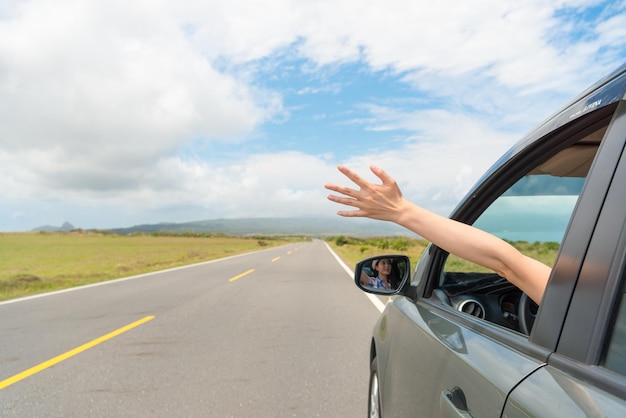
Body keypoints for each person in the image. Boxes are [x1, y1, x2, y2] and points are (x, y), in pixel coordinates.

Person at [324, 165, 550, 304]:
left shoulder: (571, 302)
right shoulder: (580, 307)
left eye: (386, 264)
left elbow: (507, 263)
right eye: (381, 264)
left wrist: (399, 211)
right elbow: (506, 264)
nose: (385, 267)